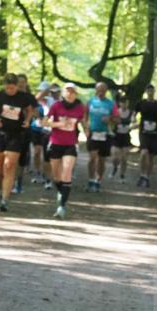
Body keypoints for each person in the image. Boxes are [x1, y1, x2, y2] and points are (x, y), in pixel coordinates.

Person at [0, 72, 36, 212]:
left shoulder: (23, 97)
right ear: (4, 86)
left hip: (17, 134)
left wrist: (27, 121)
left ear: (17, 86)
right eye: (8, 88)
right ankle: (0, 190)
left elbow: (30, 110)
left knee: (10, 165)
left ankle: (5, 200)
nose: (10, 90)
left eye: (13, 88)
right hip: (0, 133)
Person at [43, 82, 89, 219]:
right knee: (57, 177)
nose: (70, 94)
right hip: (56, 143)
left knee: (67, 172)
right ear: (63, 93)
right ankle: (61, 191)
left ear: (76, 94)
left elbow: (83, 121)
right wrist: (58, 124)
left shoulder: (80, 107)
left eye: (72, 92)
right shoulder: (56, 106)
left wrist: (87, 131)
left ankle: (62, 206)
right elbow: (44, 122)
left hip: (71, 143)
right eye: (67, 91)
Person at [85, 82, 119, 193]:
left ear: (106, 91)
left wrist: (110, 118)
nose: (101, 92)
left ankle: (98, 181)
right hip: (93, 133)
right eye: (99, 90)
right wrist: (86, 129)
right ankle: (90, 180)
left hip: (105, 134)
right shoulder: (90, 102)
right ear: (96, 90)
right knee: (92, 158)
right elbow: (84, 117)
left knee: (101, 160)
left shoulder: (111, 104)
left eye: (103, 90)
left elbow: (118, 119)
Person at [135, 84, 157, 188]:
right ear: (146, 91)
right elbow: (133, 115)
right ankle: (142, 175)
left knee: (151, 157)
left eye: (152, 90)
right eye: (148, 90)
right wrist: (133, 122)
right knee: (143, 153)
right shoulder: (140, 103)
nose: (150, 92)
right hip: (144, 132)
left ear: (154, 91)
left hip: (155, 133)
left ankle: (146, 177)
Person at [13, 74, 33, 194]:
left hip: (25, 132)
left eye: (23, 82)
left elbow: (36, 113)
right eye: (18, 82)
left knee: (21, 160)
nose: (20, 84)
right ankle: (11, 181)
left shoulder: (30, 97)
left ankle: (19, 183)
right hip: (11, 131)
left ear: (26, 83)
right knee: (12, 158)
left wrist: (28, 113)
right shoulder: (10, 96)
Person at [30, 81, 53, 185]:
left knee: (46, 153)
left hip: (47, 130)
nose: (44, 93)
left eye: (46, 91)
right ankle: (37, 172)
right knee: (37, 151)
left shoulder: (51, 101)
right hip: (36, 129)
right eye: (42, 90)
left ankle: (45, 174)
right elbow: (32, 105)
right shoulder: (35, 100)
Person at [110, 93, 135, 183]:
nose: (124, 104)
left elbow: (134, 122)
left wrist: (132, 125)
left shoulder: (131, 113)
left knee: (124, 158)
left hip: (126, 137)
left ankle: (122, 175)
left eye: (126, 103)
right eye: (123, 102)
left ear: (128, 103)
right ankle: (115, 168)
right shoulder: (115, 112)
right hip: (116, 137)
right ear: (120, 103)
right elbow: (110, 122)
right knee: (115, 157)